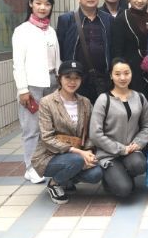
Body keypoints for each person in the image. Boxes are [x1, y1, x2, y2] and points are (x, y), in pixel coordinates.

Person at [32, 61, 103, 204]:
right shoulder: (47, 102)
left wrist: (88, 151)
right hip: (49, 156)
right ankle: (54, 183)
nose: (72, 82)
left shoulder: (85, 102)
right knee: (76, 160)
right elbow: (47, 137)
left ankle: (67, 179)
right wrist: (79, 153)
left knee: (96, 174)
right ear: (59, 78)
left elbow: (90, 132)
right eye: (67, 77)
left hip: (77, 154)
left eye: (77, 78)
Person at [13, 0, 60, 183]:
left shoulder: (50, 30)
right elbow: (18, 63)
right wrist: (22, 90)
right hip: (32, 85)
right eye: (39, 3)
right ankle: (30, 167)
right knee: (31, 128)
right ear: (31, 3)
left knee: (48, 127)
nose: (43, 7)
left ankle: (45, 163)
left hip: (52, 82)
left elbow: (57, 59)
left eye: (47, 4)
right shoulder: (22, 30)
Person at [90, 58, 148, 198]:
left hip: (131, 150)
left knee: (140, 165)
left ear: (131, 74)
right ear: (111, 76)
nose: (123, 78)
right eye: (117, 74)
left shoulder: (139, 97)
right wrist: (121, 149)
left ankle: (124, 173)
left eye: (126, 73)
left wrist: (138, 143)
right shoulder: (103, 99)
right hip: (108, 154)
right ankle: (110, 178)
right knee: (124, 190)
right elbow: (95, 133)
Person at [57, 0, 114, 104]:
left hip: (102, 80)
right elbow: (61, 50)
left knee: (102, 112)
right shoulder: (66, 20)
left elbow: (112, 48)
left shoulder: (108, 19)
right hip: (76, 79)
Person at [111, 0, 148, 106]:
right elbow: (117, 51)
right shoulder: (121, 19)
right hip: (130, 72)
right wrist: (121, 74)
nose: (139, 0)